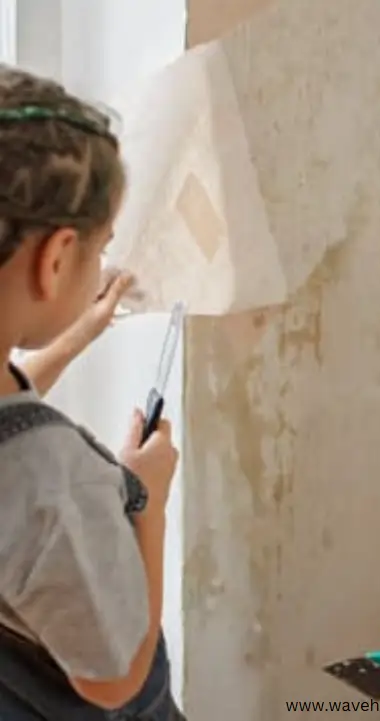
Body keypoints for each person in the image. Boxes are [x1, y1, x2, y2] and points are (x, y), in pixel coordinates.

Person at [0, 64, 182, 719]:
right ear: (54, 260)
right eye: (100, 248)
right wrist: (146, 500)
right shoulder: (54, 485)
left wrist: (77, 332)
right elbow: (114, 677)